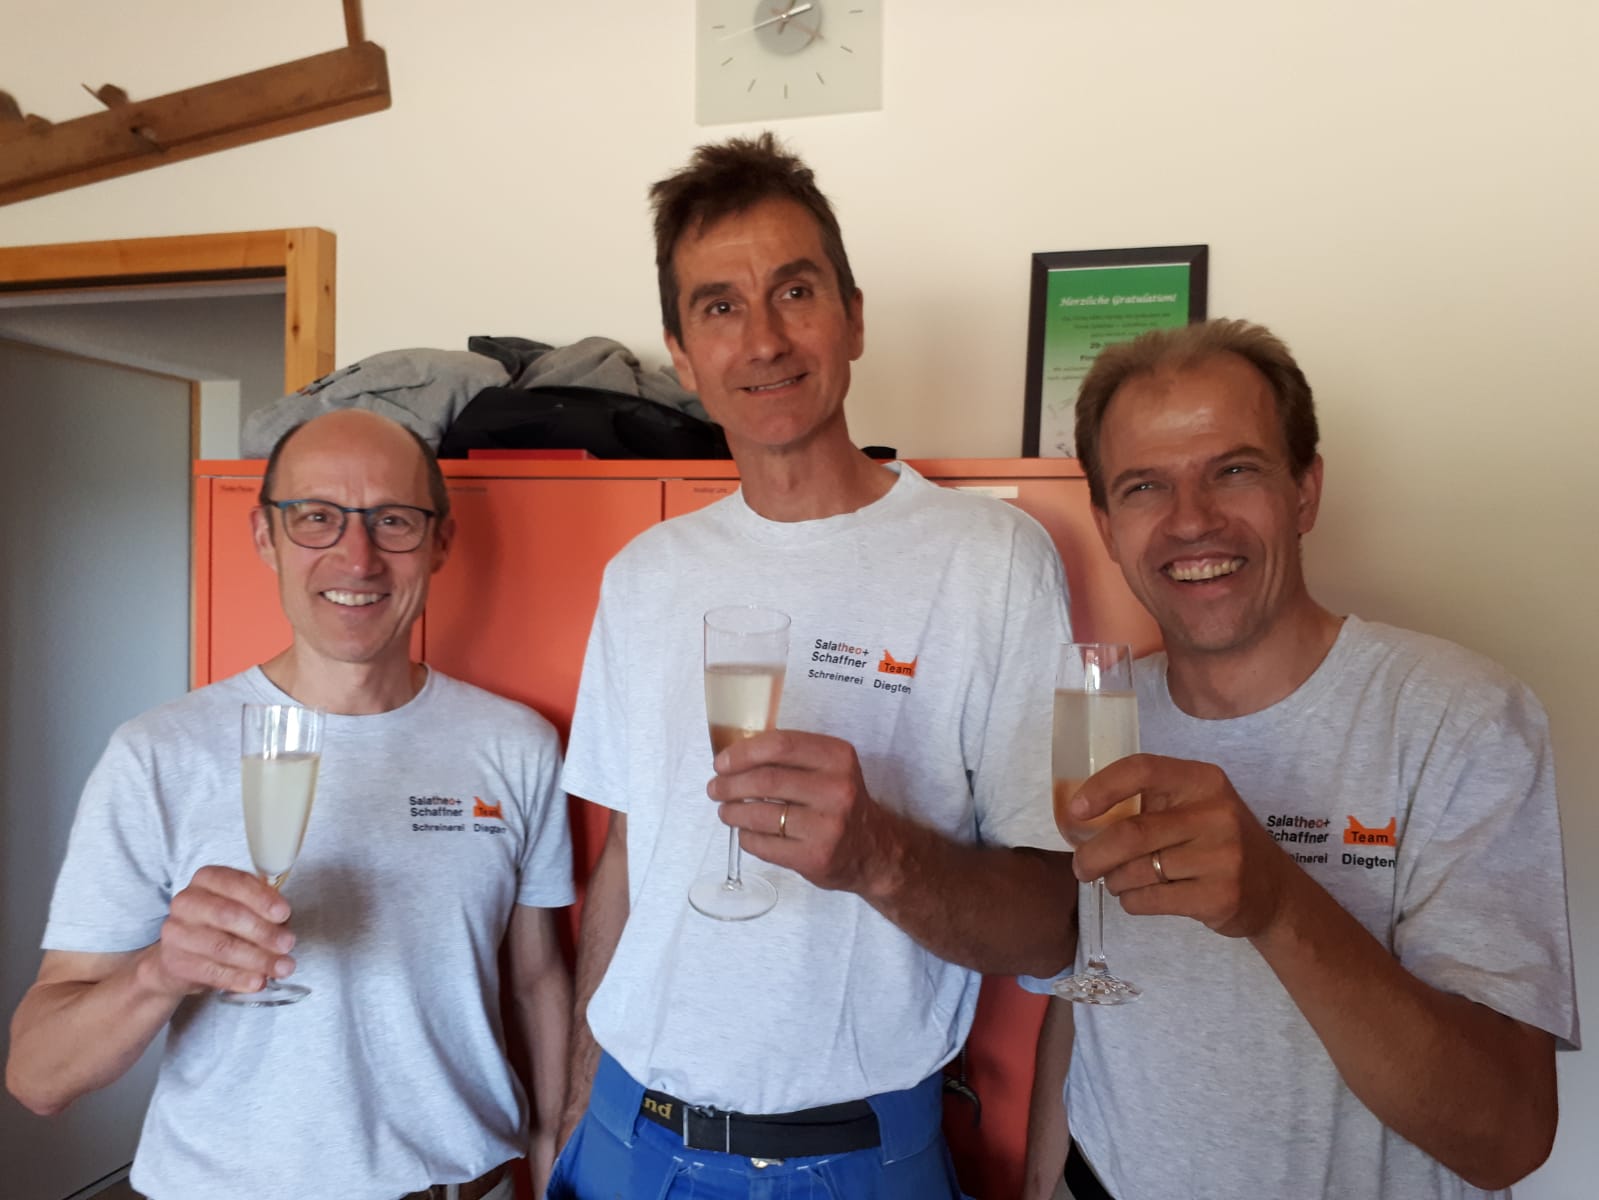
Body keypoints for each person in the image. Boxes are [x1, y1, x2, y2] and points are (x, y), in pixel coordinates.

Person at [549, 132, 1077, 1198]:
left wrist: (880, 857)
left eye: (794, 291)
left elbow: (1052, 924)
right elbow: (628, 858)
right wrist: (572, 1109)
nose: (763, 339)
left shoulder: (990, 559)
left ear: (853, 317)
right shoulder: (645, 575)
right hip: (625, 1140)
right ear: (682, 355)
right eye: (719, 307)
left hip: (858, 1160)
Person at [1021, 319, 1580, 1200]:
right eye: (1144, 487)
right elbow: (1087, 991)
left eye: (1233, 471)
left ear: (1304, 492)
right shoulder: (1101, 716)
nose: (1191, 520)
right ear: (1106, 525)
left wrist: (1279, 905)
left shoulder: (1459, 717)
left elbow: (1506, 1136)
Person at [5, 409, 575, 1200]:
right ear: (265, 536)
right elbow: (37, 1077)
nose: (357, 556)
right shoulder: (158, 753)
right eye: (315, 517)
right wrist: (160, 972)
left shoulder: (515, 744)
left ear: (440, 542)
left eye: (393, 520)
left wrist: (553, 1159)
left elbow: (537, 981)